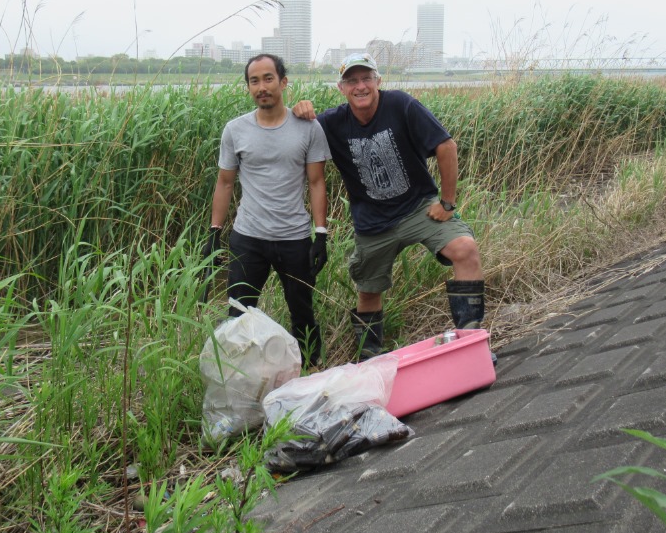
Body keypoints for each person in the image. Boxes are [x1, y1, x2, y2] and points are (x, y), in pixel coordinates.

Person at [293, 52, 490, 362]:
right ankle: (371, 360)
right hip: (373, 223)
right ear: (341, 88)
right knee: (369, 291)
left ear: (378, 82)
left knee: (464, 249)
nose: (360, 86)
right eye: (352, 81)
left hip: (418, 208)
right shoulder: (332, 122)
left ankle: (472, 344)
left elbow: (446, 146)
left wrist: (447, 203)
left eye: (366, 79)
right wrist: (299, 110)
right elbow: (297, 131)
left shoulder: (400, 104)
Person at [202, 53, 332, 366]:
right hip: (249, 237)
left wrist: (321, 235)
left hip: (294, 238)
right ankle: (239, 374)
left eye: (268, 79)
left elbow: (316, 182)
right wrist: (214, 232)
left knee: (301, 310)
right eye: (254, 80)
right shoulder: (235, 130)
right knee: (239, 313)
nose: (262, 87)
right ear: (248, 87)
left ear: (283, 82)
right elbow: (224, 183)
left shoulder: (308, 128)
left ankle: (309, 369)